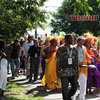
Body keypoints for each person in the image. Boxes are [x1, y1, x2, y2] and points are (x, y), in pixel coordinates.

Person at [55, 34, 78, 100]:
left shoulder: (74, 49)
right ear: (66, 40)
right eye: (71, 39)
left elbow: (76, 61)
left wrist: (78, 71)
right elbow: (57, 61)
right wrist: (57, 71)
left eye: (73, 39)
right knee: (64, 90)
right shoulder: (60, 49)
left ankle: (68, 98)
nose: (73, 40)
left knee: (75, 86)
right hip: (64, 72)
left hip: (73, 72)